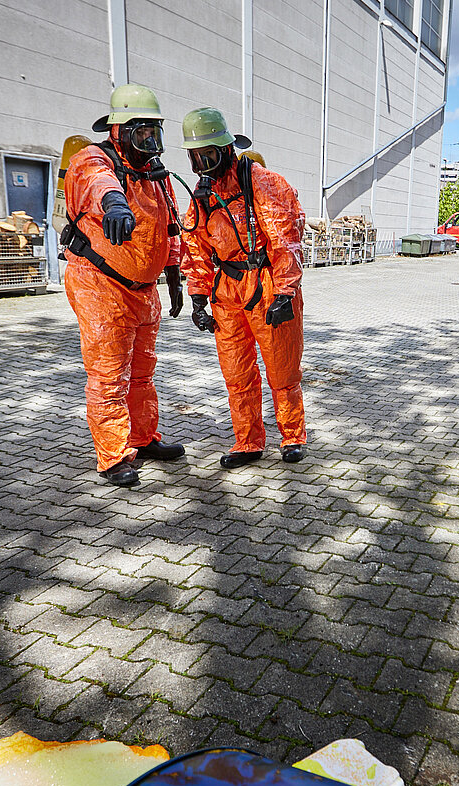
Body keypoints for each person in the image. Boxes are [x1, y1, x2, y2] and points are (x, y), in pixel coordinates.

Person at [60, 84, 186, 487]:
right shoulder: (92, 160)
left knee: (143, 372)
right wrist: (114, 203)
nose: (149, 141)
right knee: (109, 375)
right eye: (140, 132)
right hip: (101, 286)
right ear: (118, 131)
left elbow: (169, 227)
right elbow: (98, 181)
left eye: (153, 132)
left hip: (144, 291)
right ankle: (113, 455)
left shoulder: (155, 175)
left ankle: (143, 437)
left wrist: (173, 276)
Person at [178, 108, 307, 468]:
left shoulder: (263, 183)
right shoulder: (202, 196)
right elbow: (196, 246)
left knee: (282, 370)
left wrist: (285, 292)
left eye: (207, 156)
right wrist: (198, 296)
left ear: (226, 149)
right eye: (195, 157)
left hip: (266, 285)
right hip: (227, 291)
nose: (201, 165)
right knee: (237, 373)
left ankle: (292, 436)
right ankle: (248, 441)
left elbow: (285, 239)